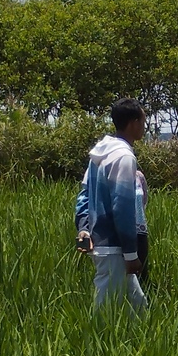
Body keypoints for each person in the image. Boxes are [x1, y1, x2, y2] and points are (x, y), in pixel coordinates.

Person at [75, 97, 150, 311]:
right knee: (105, 309)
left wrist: (83, 228)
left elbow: (84, 196)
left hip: (100, 241)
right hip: (114, 247)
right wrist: (131, 254)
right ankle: (92, 342)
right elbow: (123, 206)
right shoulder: (124, 157)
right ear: (134, 123)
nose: (144, 127)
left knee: (138, 307)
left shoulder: (99, 154)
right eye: (143, 122)